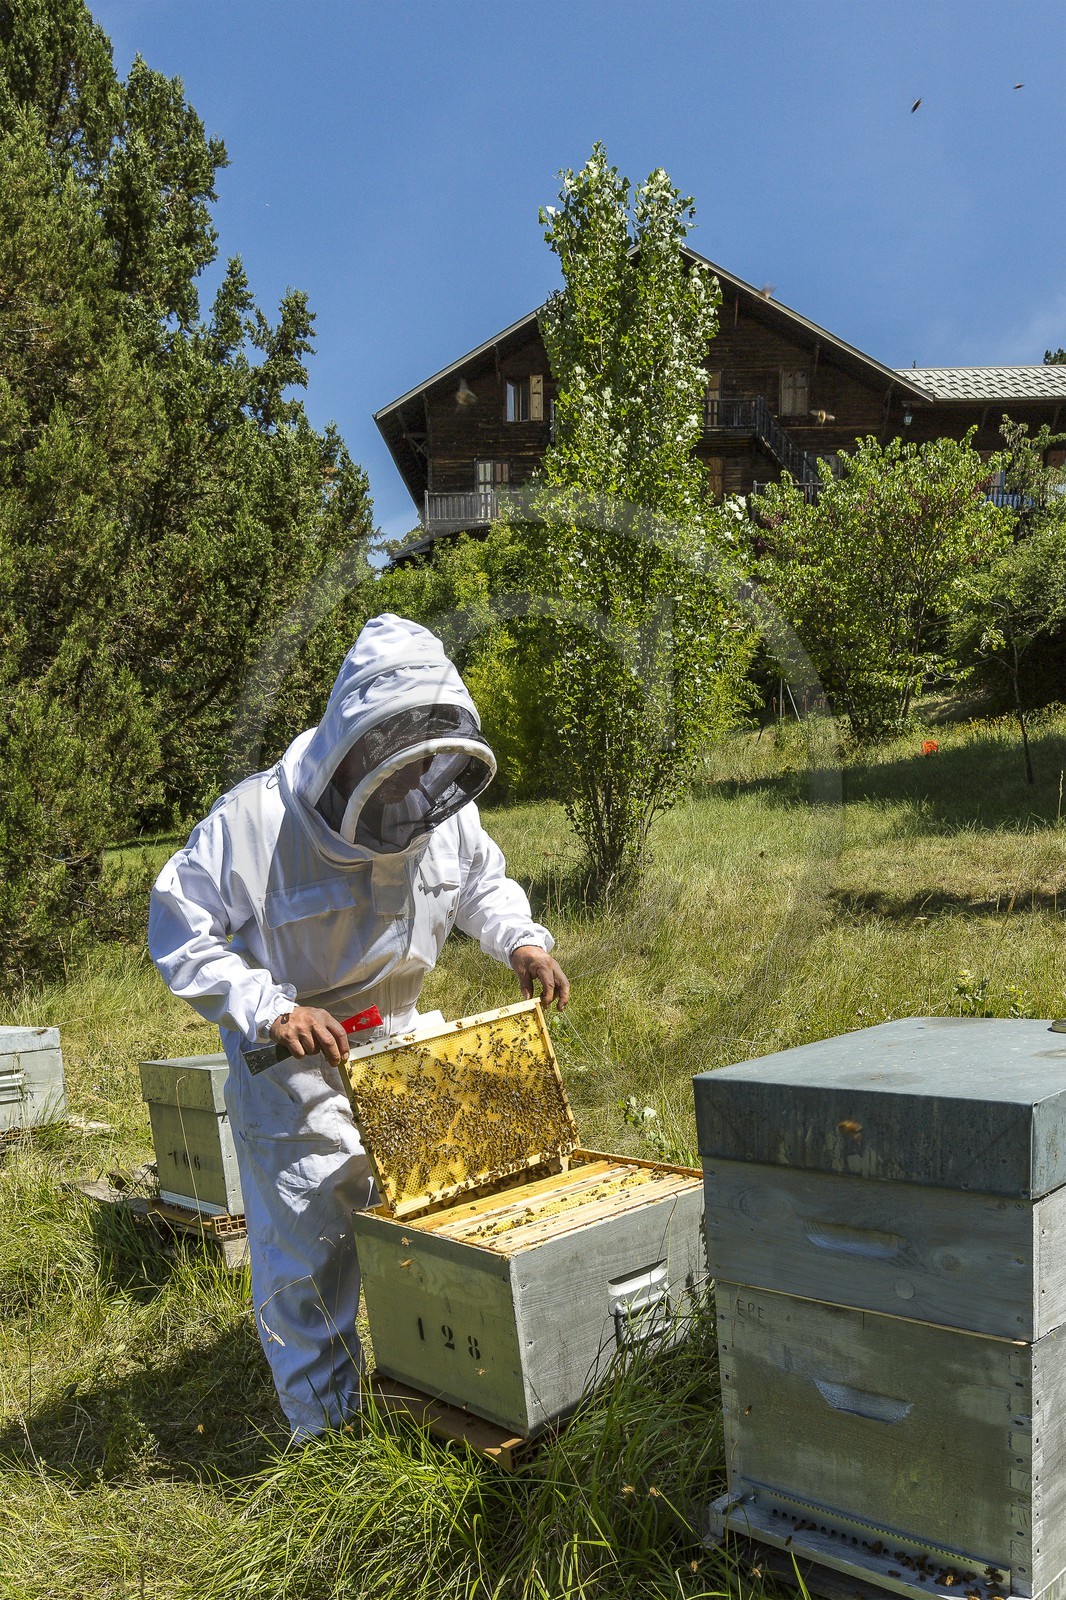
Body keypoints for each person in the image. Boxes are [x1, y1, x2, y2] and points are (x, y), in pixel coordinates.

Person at [148, 613, 569, 1438]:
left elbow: (481, 879)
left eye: (426, 769)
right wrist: (271, 1007)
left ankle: (442, 1383)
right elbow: (178, 928)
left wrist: (520, 938)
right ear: (353, 746)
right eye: (394, 767)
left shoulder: (430, 800)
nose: (412, 796)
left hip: (405, 1040)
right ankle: (328, 1438)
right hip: (295, 1056)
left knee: (444, 1222)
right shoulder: (255, 824)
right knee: (308, 1250)